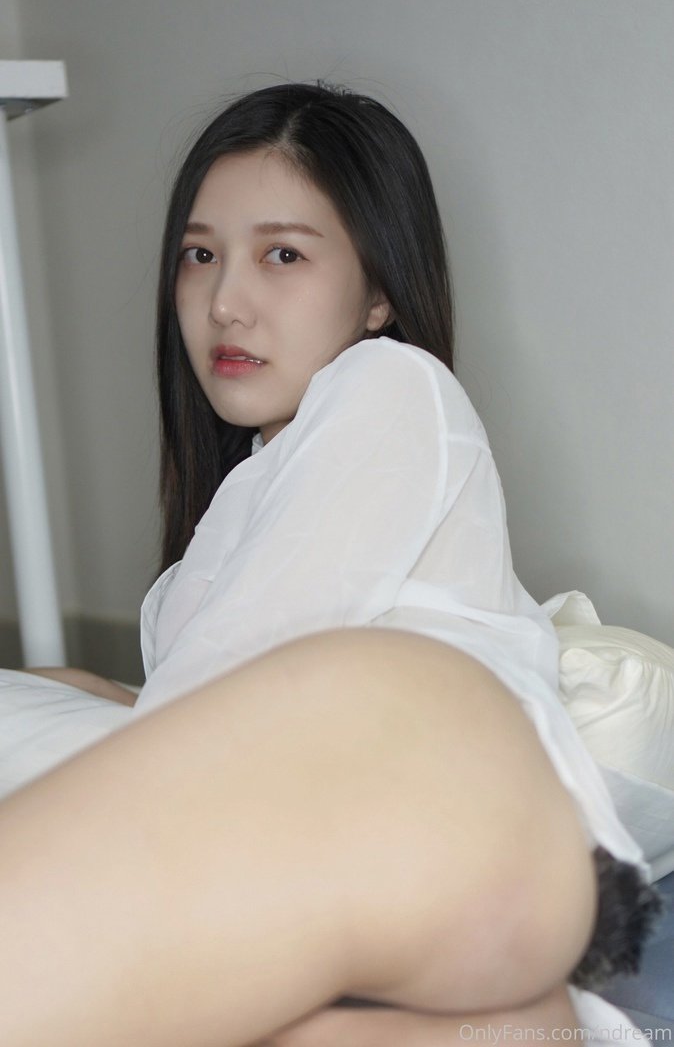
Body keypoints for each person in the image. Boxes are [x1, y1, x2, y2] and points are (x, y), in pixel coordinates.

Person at [0, 82, 661, 1047]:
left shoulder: (390, 384)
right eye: (199, 255)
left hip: (442, 788)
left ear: (379, 293)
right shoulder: (258, 482)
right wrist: (87, 689)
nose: (224, 302)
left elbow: (215, 704)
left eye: (283, 255)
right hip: (394, 849)